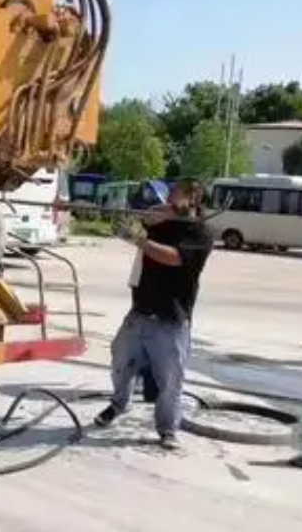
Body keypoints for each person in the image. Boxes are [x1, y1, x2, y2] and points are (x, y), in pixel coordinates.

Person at [94, 180, 213, 450]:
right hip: (140, 311)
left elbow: (173, 257)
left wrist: (139, 240)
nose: (169, 197)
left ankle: (167, 428)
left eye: (175, 193)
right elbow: (138, 218)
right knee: (119, 360)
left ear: (193, 198)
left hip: (171, 318)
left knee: (170, 380)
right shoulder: (162, 222)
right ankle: (118, 404)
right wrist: (131, 220)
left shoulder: (201, 234)